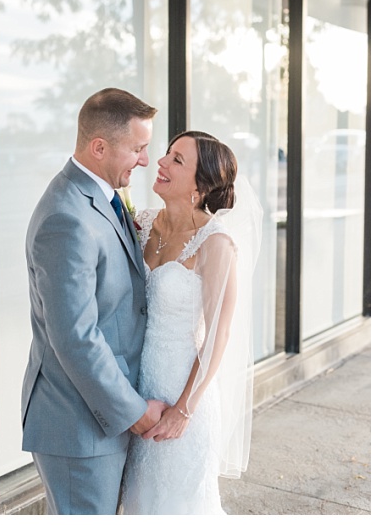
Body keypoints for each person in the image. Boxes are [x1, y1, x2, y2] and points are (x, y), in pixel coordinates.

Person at [21, 88, 165, 514]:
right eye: (137, 148)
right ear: (99, 147)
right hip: (79, 425)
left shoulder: (102, 196)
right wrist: (132, 411)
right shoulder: (66, 217)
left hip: (98, 419)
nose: (144, 160)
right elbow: (75, 336)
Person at [122, 130, 260, 514]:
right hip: (136, 394)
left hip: (183, 393)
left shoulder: (216, 243)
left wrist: (184, 408)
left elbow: (219, 334)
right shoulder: (143, 223)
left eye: (176, 160)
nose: (161, 162)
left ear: (199, 188)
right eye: (167, 153)